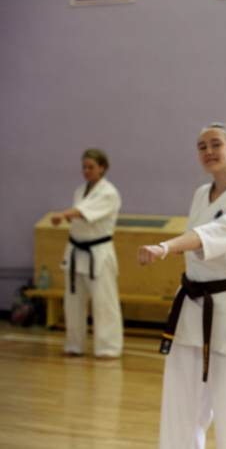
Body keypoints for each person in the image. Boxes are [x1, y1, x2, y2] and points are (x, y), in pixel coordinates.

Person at [137, 123, 226, 449]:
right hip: (191, 305)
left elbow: (211, 235)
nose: (208, 151)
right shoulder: (201, 195)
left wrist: (165, 247)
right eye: (202, 146)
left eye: (215, 144)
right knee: (181, 406)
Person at [51, 148, 123, 360]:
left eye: (91, 167)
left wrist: (65, 214)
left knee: (104, 302)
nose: (86, 171)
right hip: (75, 251)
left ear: (103, 167)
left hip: (98, 253)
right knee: (73, 301)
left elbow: (84, 213)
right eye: (84, 167)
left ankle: (108, 347)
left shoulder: (109, 193)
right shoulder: (80, 190)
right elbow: (80, 213)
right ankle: (75, 344)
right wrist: (68, 215)